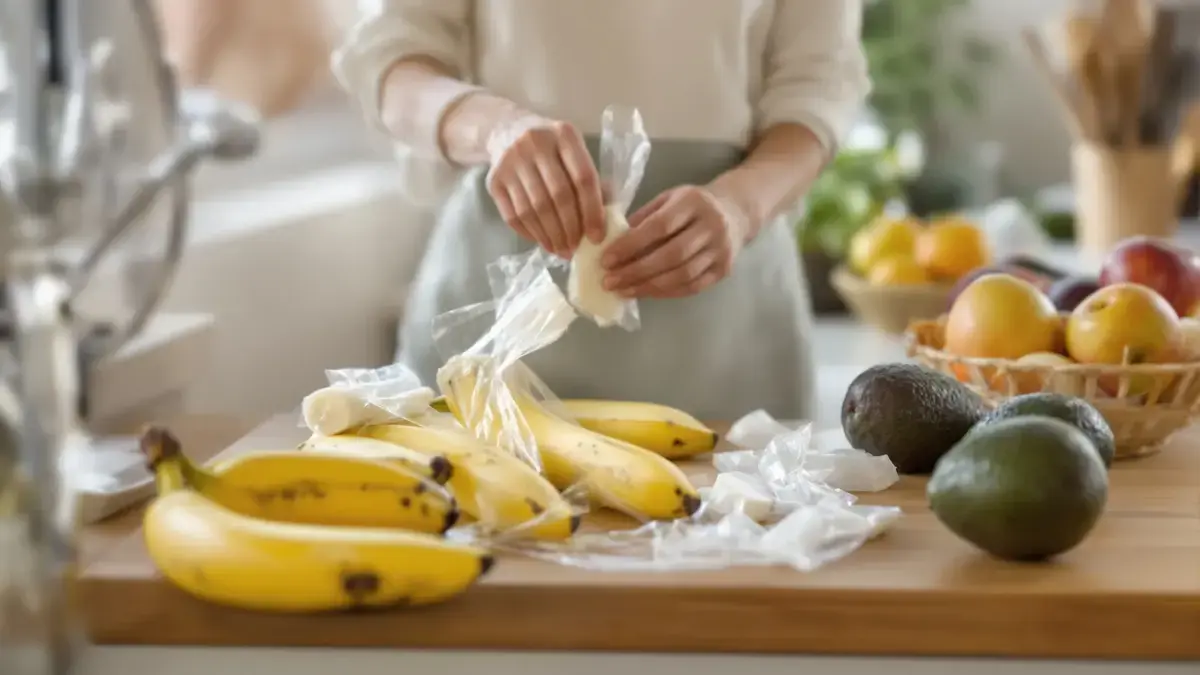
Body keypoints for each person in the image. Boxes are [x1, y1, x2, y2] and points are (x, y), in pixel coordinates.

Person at [333, 0, 870, 422]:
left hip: (725, 325)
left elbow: (819, 85)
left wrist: (740, 205)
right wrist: (496, 129)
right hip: (495, 319)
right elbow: (390, 61)